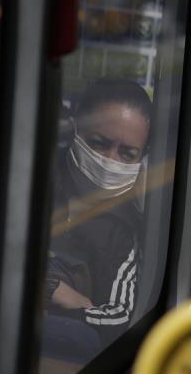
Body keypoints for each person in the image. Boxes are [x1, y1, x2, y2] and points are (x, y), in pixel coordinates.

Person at [43, 79, 152, 358]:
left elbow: (118, 318)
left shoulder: (126, 232)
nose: (109, 160)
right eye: (99, 143)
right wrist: (52, 289)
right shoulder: (31, 181)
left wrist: (74, 309)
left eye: (127, 154)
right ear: (76, 127)